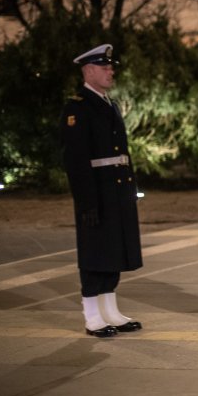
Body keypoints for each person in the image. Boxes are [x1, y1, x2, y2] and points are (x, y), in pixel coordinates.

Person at [60, 44, 143, 338]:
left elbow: (123, 152)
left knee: (114, 251)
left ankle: (111, 310)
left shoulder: (110, 104)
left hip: (116, 191)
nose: (111, 71)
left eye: (111, 67)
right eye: (105, 67)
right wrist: (86, 202)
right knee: (95, 252)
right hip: (96, 192)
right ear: (88, 70)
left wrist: (131, 188)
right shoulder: (78, 106)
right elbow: (76, 160)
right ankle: (92, 315)